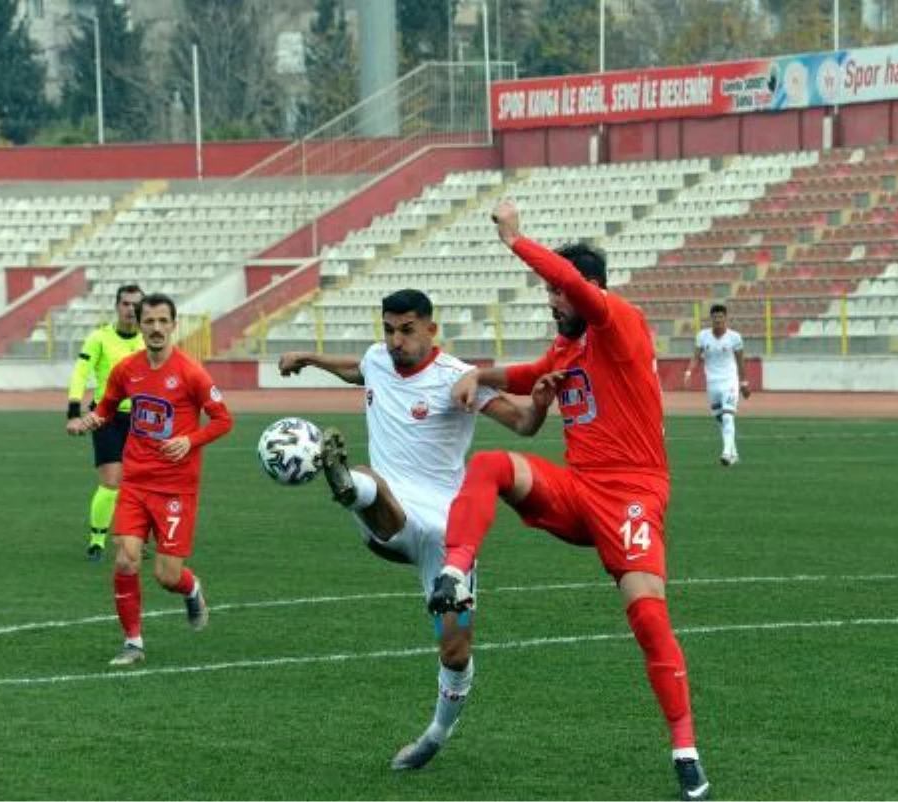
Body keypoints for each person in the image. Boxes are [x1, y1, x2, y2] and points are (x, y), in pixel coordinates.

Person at [428, 199, 712, 802]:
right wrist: (480, 376)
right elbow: (530, 374)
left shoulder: (620, 325)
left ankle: (685, 747)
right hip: (579, 491)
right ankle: (455, 572)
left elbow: (566, 284)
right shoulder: (566, 350)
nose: (552, 303)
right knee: (490, 466)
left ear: (585, 292)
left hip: (633, 493)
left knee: (647, 615)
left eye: (559, 295)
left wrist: (516, 240)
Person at [277, 288, 556, 771]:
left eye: (406, 330)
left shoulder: (456, 378)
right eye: (388, 329)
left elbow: (524, 425)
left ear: (431, 329)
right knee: (368, 480)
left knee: (455, 649)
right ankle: (345, 481)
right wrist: (310, 358)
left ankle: (435, 735)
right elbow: (358, 369)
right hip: (389, 512)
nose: (394, 340)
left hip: (449, 537)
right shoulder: (377, 359)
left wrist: (541, 402)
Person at [67, 293, 233, 666]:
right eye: (149, 322)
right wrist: (90, 420)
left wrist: (190, 440)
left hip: (176, 487)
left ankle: (192, 589)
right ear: (138, 325)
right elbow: (107, 407)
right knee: (126, 560)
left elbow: (224, 419)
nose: (156, 329)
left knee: (166, 575)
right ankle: (133, 643)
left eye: (163, 321)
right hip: (136, 482)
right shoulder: (126, 369)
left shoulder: (191, 372)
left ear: (174, 325)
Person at [65, 284, 145, 561]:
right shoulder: (99, 338)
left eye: (136, 305)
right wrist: (73, 412)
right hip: (106, 416)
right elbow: (80, 372)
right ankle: (97, 541)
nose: (130, 310)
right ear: (116, 306)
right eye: (125, 304)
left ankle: (135, 538)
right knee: (112, 480)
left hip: (143, 420)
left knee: (142, 483)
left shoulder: (150, 341)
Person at [684, 302, 751, 466]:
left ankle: (726, 453)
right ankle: (733, 453)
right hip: (712, 383)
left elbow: (740, 361)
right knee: (721, 419)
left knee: (728, 416)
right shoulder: (702, 336)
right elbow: (696, 357)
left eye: (721, 317)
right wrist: (688, 371)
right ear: (711, 319)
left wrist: (744, 382)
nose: (718, 320)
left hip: (729, 381)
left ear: (726, 318)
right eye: (715, 317)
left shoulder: (734, 337)